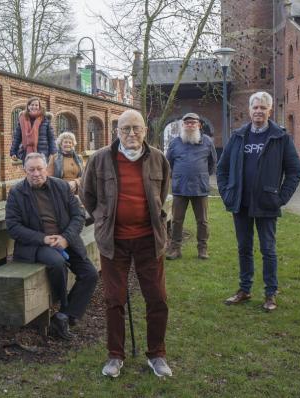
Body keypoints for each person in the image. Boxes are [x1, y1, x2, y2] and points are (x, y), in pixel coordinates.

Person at [82, 109, 172, 378]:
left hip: (149, 241)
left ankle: (156, 354)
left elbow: (162, 192)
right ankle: (115, 355)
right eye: (125, 129)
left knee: (157, 298)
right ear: (117, 131)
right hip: (114, 242)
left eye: (136, 128)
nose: (131, 134)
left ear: (145, 130)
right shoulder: (100, 160)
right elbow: (88, 196)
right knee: (113, 299)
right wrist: (102, 219)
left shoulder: (158, 159)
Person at [217, 91, 300, 311]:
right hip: (241, 203)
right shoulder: (238, 136)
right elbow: (222, 168)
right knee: (244, 248)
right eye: (255, 107)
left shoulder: (280, 138)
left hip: (267, 204)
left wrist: (281, 198)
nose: (259, 111)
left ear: (270, 111)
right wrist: (227, 193)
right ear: (249, 110)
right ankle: (245, 289)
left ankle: (270, 293)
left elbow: (294, 171)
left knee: (268, 250)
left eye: (263, 108)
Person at [5, 152, 98, 340]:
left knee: (90, 274)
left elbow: (79, 215)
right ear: (25, 171)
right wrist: (43, 239)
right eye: (31, 170)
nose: (36, 173)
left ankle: (64, 315)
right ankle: (63, 307)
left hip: (65, 239)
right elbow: (13, 227)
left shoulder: (61, 186)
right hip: (36, 245)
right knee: (57, 263)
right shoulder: (16, 192)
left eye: (40, 168)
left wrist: (65, 238)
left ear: (46, 169)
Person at [165, 112, 217, 260]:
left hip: (200, 189)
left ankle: (202, 249)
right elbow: (168, 164)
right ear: (183, 125)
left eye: (193, 123)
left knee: (202, 221)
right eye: (187, 123)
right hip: (180, 188)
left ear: (199, 125)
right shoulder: (175, 143)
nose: (190, 125)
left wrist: (201, 176)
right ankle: (175, 249)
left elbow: (212, 163)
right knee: (176, 220)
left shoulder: (207, 141)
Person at [10, 97, 58, 163]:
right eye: (32, 105)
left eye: (36, 105)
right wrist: (13, 152)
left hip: (43, 153)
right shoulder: (22, 119)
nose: (34, 107)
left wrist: (53, 152)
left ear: (39, 107)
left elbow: (51, 138)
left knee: (42, 172)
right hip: (27, 153)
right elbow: (17, 137)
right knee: (30, 172)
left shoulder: (45, 119)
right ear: (28, 106)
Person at [47, 131, 84, 196]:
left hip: (77, 191)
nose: (68, 144)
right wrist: (64, 185)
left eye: (70, 142)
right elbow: (49, 177)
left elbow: (85, 176)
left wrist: (76, 182)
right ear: (61, 144)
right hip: (60, 191)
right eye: (65, 142)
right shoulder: (54, 158)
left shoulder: (79, 158)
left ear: (73, 144)